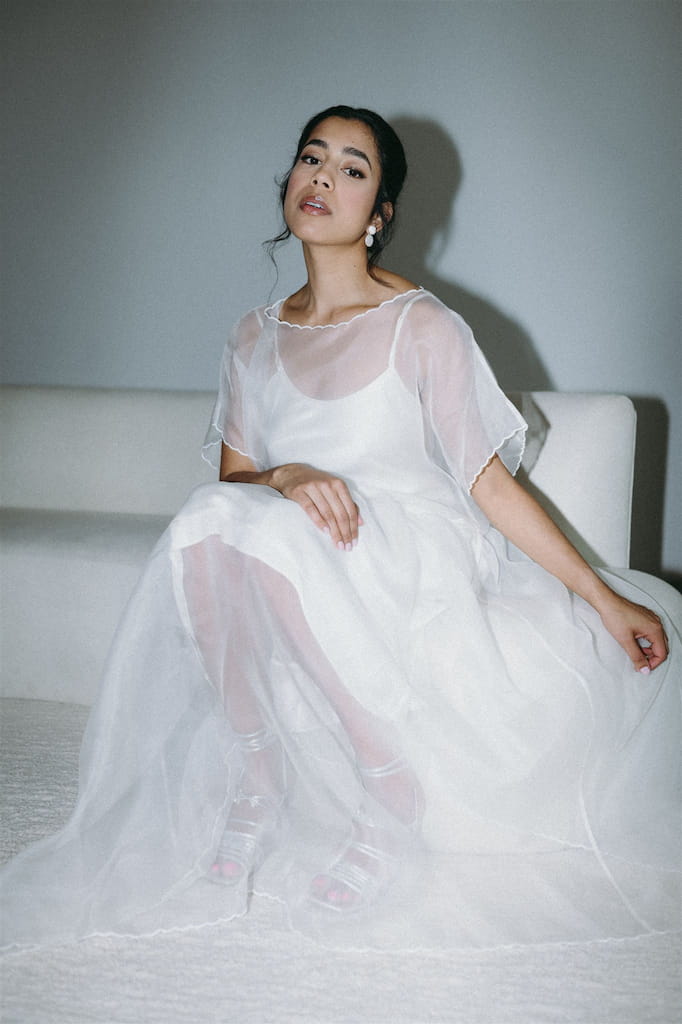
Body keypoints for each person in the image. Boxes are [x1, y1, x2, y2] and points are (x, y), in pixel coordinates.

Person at [1, 106, 679, 953]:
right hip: (302, 539)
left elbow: (490, 487)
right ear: (288, 181)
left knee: (248, 526)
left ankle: (386, 785)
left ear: (380, 212)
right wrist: (286, 474)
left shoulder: (423, 326)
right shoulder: (251, 335)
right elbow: (234, 491)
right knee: (207, 520)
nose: (322, 177)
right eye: (310, 158)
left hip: (411, 546)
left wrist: (604, 600)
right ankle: (257, 769)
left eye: (352, 168)